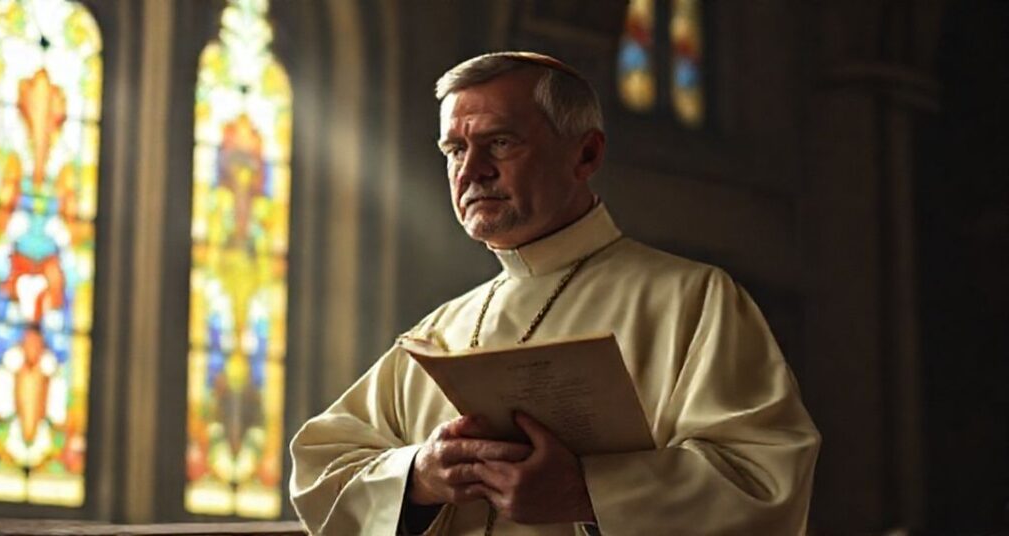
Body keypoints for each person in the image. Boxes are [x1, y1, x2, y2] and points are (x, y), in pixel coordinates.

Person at [289, 51, 820, 535]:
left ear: (585, 155)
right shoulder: (437, 333)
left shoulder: (694, 300)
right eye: (455, 149)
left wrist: (588, 493)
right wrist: (418, 477)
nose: (471, 170)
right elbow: (320, 471)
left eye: (499, 142)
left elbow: (763, 481)